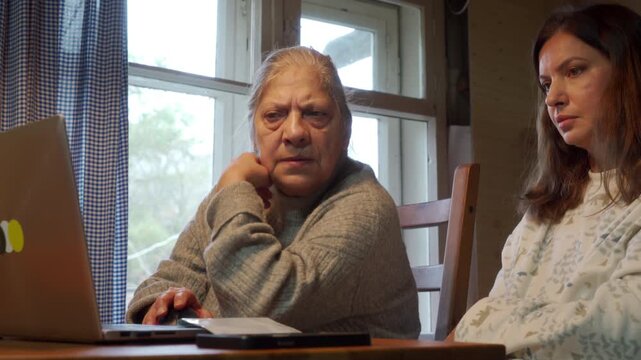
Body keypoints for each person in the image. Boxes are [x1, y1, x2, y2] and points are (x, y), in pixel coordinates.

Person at [126, 46, 420, 339]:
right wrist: (168, 311)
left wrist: (232, 190)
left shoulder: (366, 207)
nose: (294, 132)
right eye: (274, 115)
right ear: (254, 133)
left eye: (315, 114)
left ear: (345, 132)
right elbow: (161, 283)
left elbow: (260, 305)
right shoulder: (238, 193)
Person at [454, 3, 641, 359]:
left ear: (630, 74)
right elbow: (496, 310)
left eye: (574, 71)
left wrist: (479, 319)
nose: (553, 97)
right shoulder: (546, 210)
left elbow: (625, 327)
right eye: (546, 83)